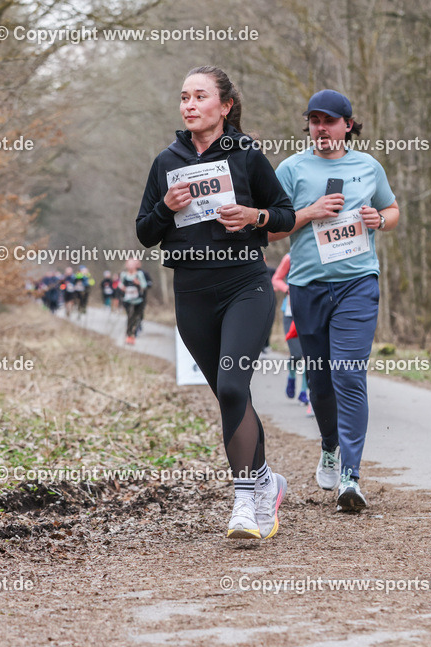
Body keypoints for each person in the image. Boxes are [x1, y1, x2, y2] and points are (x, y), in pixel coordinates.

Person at [136, 65, 295, 539]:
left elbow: (284, 215)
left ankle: (245, 502)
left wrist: (254, 215)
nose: (188, 104)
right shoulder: (167, 161)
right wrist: (167, 207)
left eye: (199, 96)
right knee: (232, 395)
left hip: (245, 284)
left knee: (230, 387)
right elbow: (145, 232)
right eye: (183, 96)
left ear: (224, 107)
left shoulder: (246, 155)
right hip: (192, 293)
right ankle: (267, 482)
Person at [270, 89, 400, 512]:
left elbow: (393, 210)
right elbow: (270, 230)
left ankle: (351, 476)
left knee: (348, 374)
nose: (321, 128)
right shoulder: (291, 169)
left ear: (348, 125)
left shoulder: (368, 167)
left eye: (329, 121)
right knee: (321, 381)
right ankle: (329, 445)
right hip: (308, 287)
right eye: (314, 121)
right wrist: (310, 212)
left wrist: (378, 219)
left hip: (357, 283)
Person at [271, 253, 309, 405]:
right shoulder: (290, 257)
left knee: (309, 356)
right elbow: (276, 278)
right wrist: (287, 289)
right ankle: (292, 377)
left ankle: (303, 392)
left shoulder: (318, 254)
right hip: (290, 313)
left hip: (311, 312)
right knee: (297, 354)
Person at [119, 258, 148, 345]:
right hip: (127, 299)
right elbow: (120, 284)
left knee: (136, 317)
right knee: (129, 316)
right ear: (126, 265)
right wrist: (122, 288)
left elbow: (144, 285)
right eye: (129, 264)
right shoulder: (124, 274)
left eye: (132, 264)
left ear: (136, 265)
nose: (131, 266)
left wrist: (138, 283)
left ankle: (133, 335)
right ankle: (129, 335)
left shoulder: (139, 274)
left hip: (138, 300)